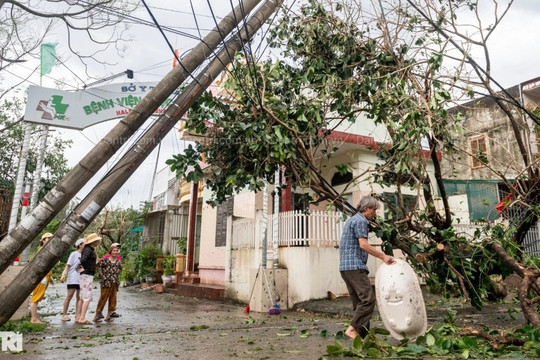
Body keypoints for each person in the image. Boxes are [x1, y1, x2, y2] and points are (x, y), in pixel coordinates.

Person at [339, 195, 394, 339]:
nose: (375, 213)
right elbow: (363, 244)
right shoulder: (361, 221)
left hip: (345, 267)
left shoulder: (351, 220)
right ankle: (352, 329)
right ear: (366, 208)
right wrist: (383, 256)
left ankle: (363, 338)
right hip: (355, 266)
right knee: (368, 299)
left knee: (359, 304)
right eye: (374, 210)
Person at [76, 233, 101, 325]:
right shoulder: (88, 250)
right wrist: (87, 268)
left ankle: (79, 317)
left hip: (85, 274)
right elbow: (82, 260)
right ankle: (82, 317)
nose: (98, 241)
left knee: (83, 297)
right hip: (87, 275)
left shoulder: (87, 249)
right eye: (97, 240)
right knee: (87, 297)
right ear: (93, 241)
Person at [94, 244, 123, 323]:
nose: (115, 252)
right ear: (110, 251)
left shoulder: (118, 262)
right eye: (114, 251)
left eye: (116, 251)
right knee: (103, 298)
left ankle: (109, 316)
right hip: (106, 282)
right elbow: (96, 265)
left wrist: (117, 275)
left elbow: (121, 269)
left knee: (113, 299)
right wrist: (100, 275)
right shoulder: (105, 260)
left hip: (114, 282)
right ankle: (97, 315)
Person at [30, 233, 54, 324]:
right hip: (42, 276)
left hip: (46, 276)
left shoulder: (47, 250)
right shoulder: (42, 250)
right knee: (36, 297)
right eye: (48, 238)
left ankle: (34, 317)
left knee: (38, 297)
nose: (50, 240)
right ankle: (34, 319)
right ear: (43, 240)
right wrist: (42, 276)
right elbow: (39, 265)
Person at [59, 238, 85, 322]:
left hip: (81, 278)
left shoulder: (85, 255)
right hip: (73, 278)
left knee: (79, 297)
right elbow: (68, 265)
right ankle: (64, 314)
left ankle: (77, 315)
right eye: (84, 244)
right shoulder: (74, 254)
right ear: (80, 245)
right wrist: (64, 273)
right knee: (69, 296)